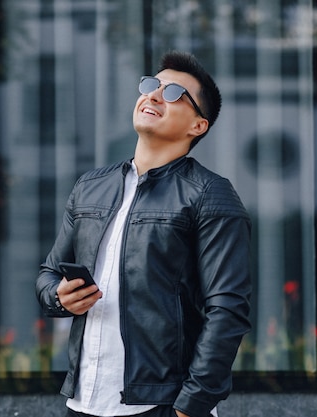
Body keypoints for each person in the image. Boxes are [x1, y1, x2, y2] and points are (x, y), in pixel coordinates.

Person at [35, 51, 251, 417]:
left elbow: (228, 308)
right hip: (83, 401)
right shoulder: (90, 187)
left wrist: (192, 405)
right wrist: (59, 297)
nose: (153, 95)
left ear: (198, 126)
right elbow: (47, 274)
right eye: (151, 85)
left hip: (161, 404)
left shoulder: (210, 194)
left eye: (173, 93)